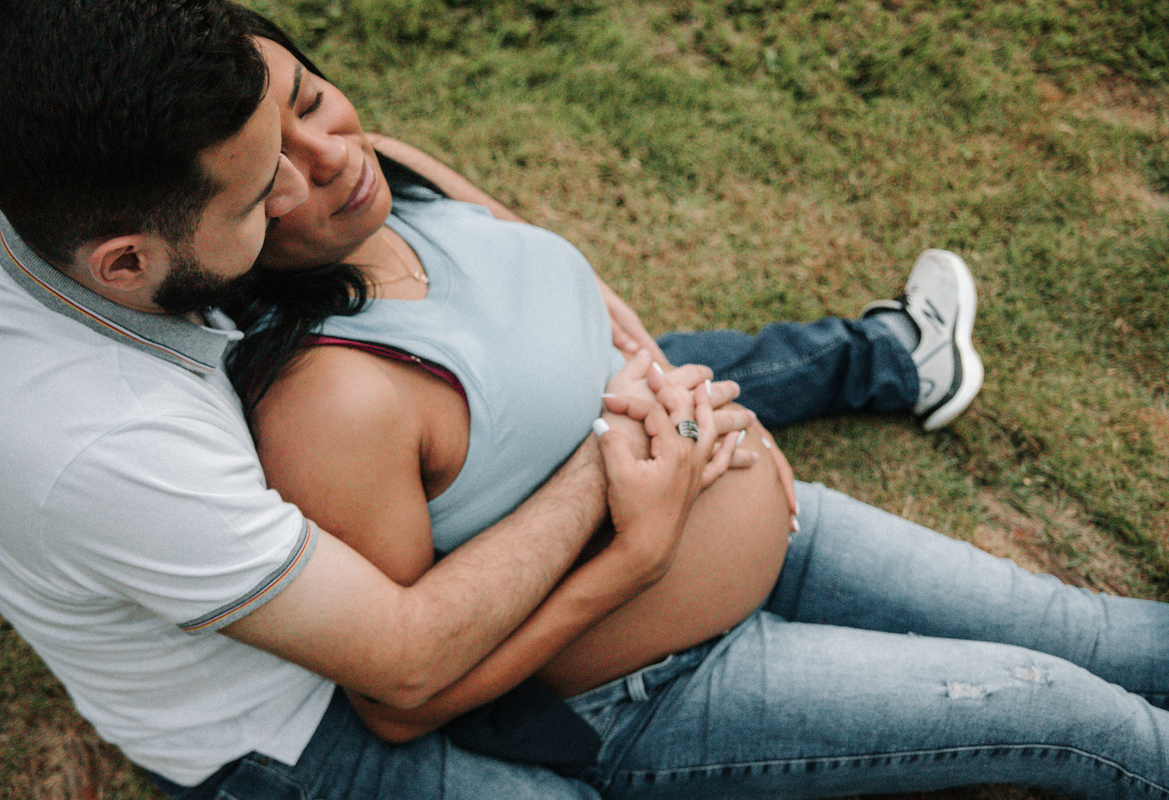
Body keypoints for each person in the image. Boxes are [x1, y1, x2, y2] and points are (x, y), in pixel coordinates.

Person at [221, 10, 1169, 800]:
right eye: (275, 174)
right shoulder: (329, 398)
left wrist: (708, 408)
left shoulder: (391, 171)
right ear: (222, 225)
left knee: (1085, 629)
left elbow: (580, 299)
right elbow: (403, 699)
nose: (330, 156)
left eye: (310, 100)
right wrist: (637, 556)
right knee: (1067, 710)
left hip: (771, 521)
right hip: (653, 684)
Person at [0, 2, 734, 799]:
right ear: (126, 265)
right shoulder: (116, 448)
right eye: (262, 192)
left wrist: (564, 282)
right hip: (284, 730)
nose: (302, 186)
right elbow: (404, 664)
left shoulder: (73, 169)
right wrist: (610, 449)